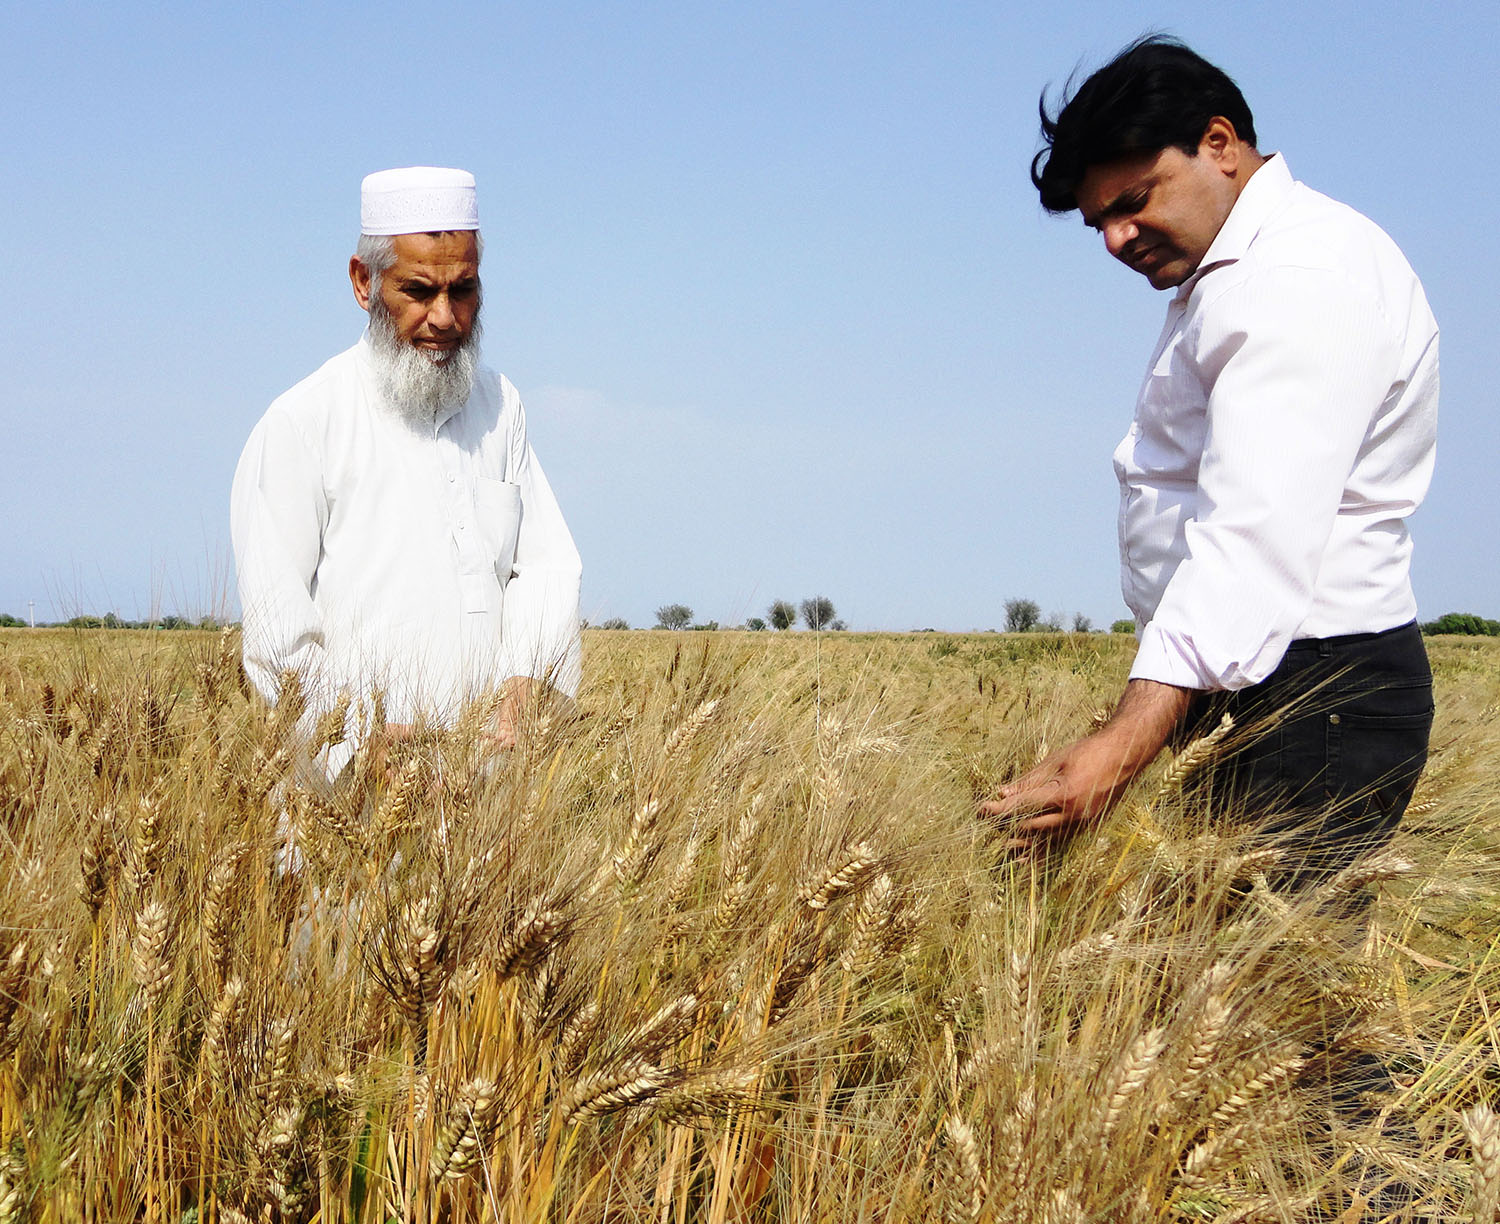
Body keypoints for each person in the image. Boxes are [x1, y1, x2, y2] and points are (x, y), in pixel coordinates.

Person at [982, 37, 1438, 887]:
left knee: (1267, 1002)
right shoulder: (1247, 268)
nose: (1117, 238)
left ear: (1220, 145)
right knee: (1239, 993)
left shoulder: (1297, 279)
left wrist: (1119, 749)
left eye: (1134, 200)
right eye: (1099, 223)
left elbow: (1250, 542)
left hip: (1312, 695)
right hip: (1268, 687)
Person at [231, 166, 582, 775]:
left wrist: (529, 680)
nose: (445, 317)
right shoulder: (303, 421)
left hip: (488, 808)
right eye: (419, 291)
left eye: (464, 289)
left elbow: (546, 568)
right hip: (347, 818)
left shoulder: (502, 408)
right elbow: (276, 633)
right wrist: (356, 745)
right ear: (363, 282)